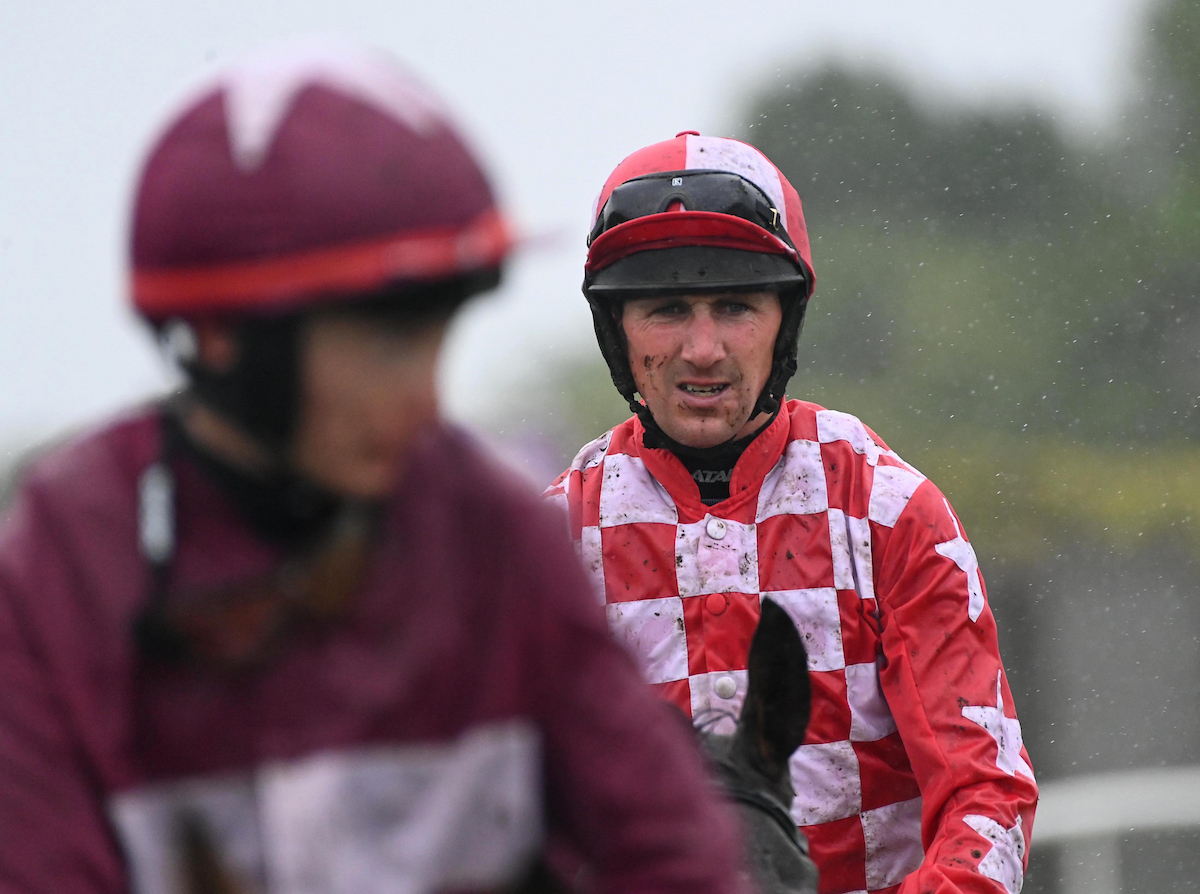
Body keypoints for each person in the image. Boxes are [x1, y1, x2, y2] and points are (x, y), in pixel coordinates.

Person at [0, 46, 746, 894]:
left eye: (437, 339)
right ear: (223, 336)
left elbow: (675, 859)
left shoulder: (492, 530)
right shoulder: (63, 565)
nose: (426, 402)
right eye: (389, 344)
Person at [544, 132, 1038, 894]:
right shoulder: (549, 547)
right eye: (668, 308)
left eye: (736, 306)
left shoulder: (888, 510)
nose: (702, 349)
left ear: (786, 321)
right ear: (616, 329)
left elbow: (988, 796)